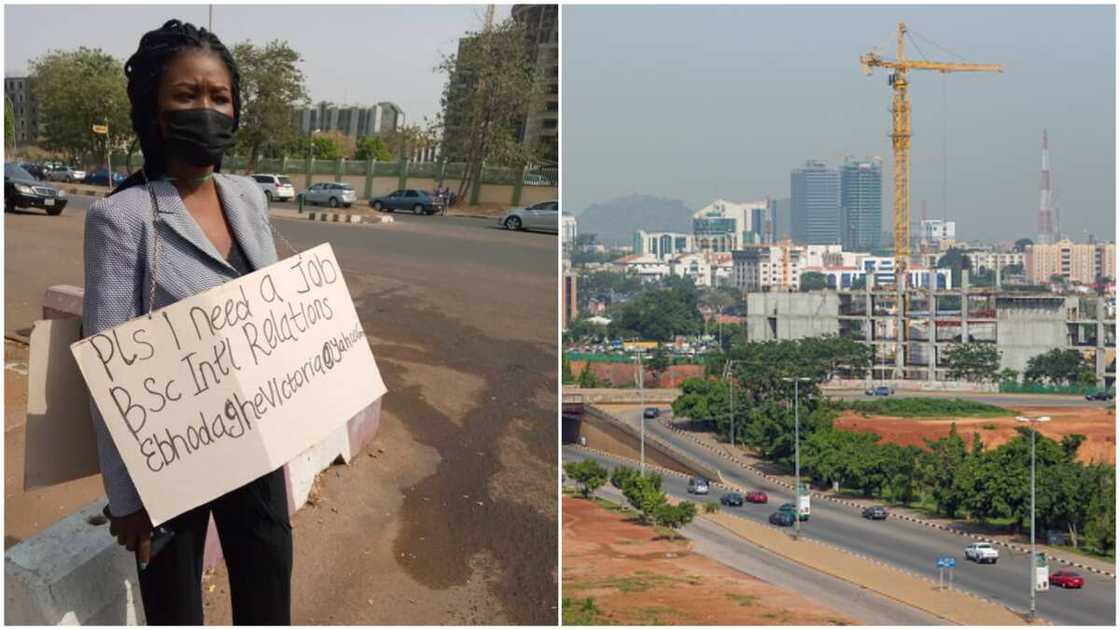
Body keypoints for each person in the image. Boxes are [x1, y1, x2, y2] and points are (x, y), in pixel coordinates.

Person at [82, 19, 292, 625]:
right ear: (153, 109)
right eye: (186, 95)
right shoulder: (123, 219)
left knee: (270, 591)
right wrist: (127, 498)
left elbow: (270, 312)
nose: (207, 108)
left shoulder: (247, 195)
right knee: (175, 611)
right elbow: (108, 367)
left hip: (254, 443)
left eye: (219, 96)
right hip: (168, 463)